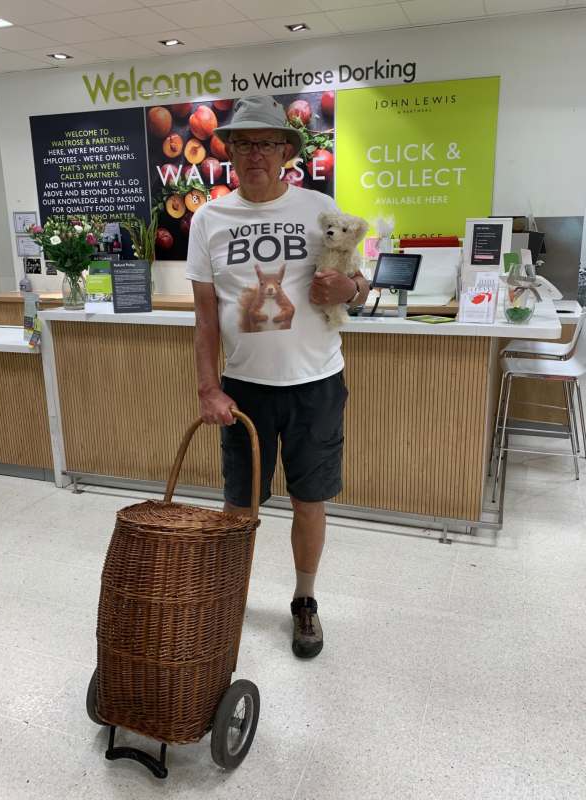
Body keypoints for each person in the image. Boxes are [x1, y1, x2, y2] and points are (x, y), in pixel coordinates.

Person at [185, 95, 370, 659]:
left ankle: (305, 602)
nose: (254, 153)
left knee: (310, 500)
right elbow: (204, 317)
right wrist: (208, 387)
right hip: (245, 391)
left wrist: (351, 291)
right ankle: (229, 599)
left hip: (316, 383)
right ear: (230, 152)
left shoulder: (318, 207)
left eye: (266, 142)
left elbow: (357, 284)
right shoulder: (208, 218)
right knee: (240, 507)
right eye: (243, 143)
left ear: (287, 151)